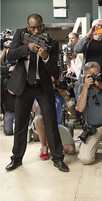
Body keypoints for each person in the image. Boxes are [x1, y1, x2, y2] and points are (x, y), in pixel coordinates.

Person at [5, 13, 69, 172]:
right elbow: (10, 55)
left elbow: (55, 70)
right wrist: (26, 48)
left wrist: (46, 57)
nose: (36, 30)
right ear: (28, 27)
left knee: (51, 122)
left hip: (42, 87)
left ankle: (58, 159)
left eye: (39, 26)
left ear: (43, 25)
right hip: (24, 86)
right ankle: (16, 159)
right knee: (20, 124)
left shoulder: (52, 43)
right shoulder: (20, 35)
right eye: (32, 27)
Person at [32, 77, 77, 160]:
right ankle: (44, 146)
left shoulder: (60, 94)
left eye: (54, 82)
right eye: (50, 82)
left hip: (57, 125)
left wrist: (65, 96)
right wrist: (46, 92)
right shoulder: (39, 93)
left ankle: (53, 144)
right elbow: (40, 111)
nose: (53, 85)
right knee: (40, 118)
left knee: (71, 150)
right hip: (42, 125)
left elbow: (73, 111)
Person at [74, 18, 102, 93]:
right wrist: (88, 35)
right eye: (97, 26)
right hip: (88, 79)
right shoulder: (87, 42)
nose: (100, 28)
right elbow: (77, 49)